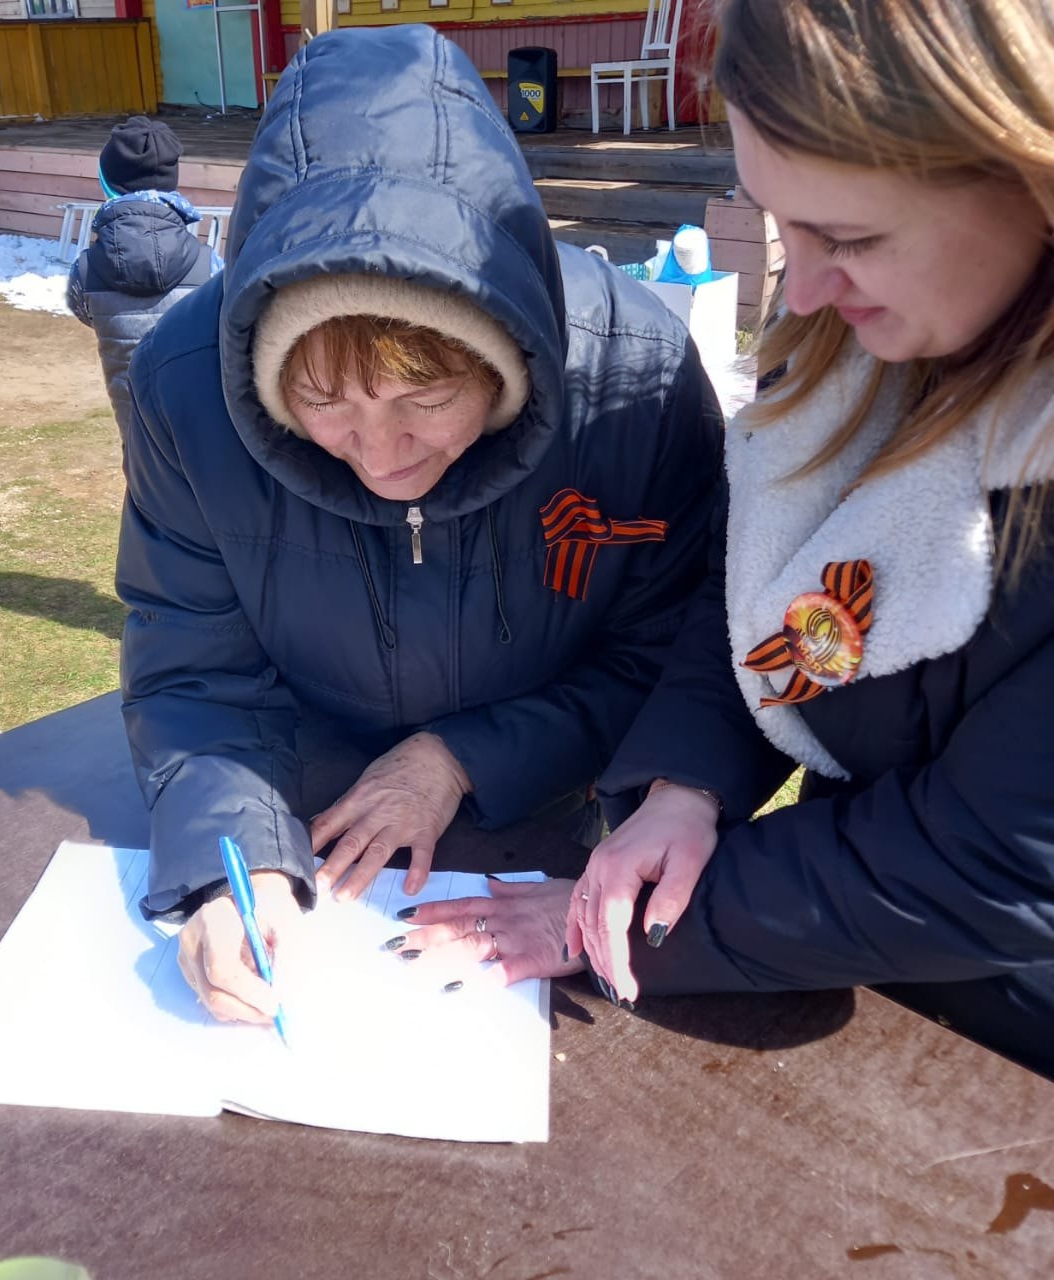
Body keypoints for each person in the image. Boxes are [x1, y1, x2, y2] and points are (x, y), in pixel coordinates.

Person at [410, 0, 1054, 1079]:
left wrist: (637, 920)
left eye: (848, 237)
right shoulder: (862, 347)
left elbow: (997, 862)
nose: (796, 289)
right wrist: (686, 784)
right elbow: (780, 601)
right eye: (774, 220)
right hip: (868, 975)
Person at [115, 25, 725, 1026]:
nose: (382, 456)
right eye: (323, 407)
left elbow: (668, 662)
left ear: (505, 356)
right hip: (304, 830)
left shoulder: (632, 376)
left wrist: (465, 755)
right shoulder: (187, 387)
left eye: (425, 400)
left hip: (534, 820)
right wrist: (240, 857)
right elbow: (191, 663)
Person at [66, 116, 213, 444]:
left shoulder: (87, 269)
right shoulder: (208, 263)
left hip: (134, 429)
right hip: (200, 423)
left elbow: (84, 310)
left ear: (108, 184)